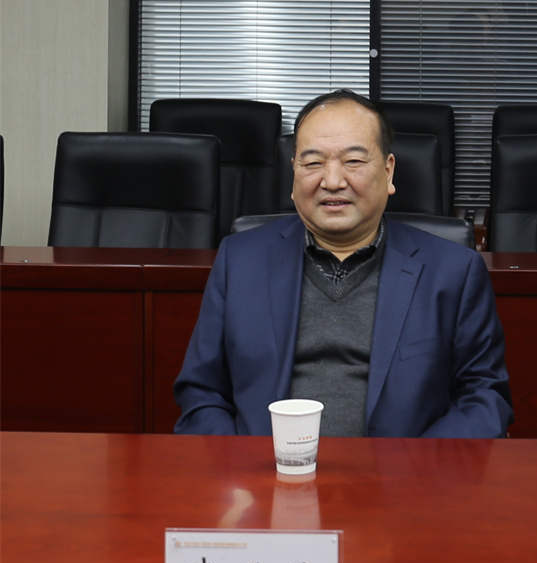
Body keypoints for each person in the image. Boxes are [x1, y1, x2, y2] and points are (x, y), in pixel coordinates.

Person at [174, 90, 513, 437]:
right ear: (293, 173)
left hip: (404, 470)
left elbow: (484, 398)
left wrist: (417, 466)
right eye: (312, 163)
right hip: (264, 468)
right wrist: (241, 466)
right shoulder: (240, 261)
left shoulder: (453, 271)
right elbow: (201, 392)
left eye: (353, 161)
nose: (333, 182)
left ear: (388, 171)